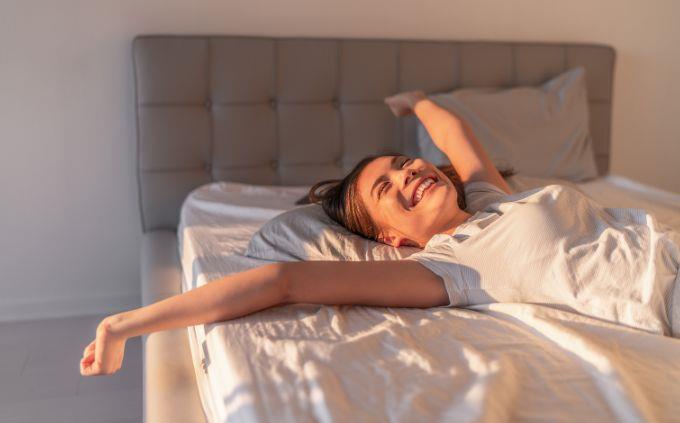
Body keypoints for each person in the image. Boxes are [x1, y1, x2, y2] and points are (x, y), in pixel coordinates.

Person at [80, 91, 680, 377]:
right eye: (385, 190)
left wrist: (416, 101)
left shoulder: (493, 198)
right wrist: (122, 326)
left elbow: (456, 135)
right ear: (393, 239)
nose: (407, 173)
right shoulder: (449, 269)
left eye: (401, 164)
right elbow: (284, 281)